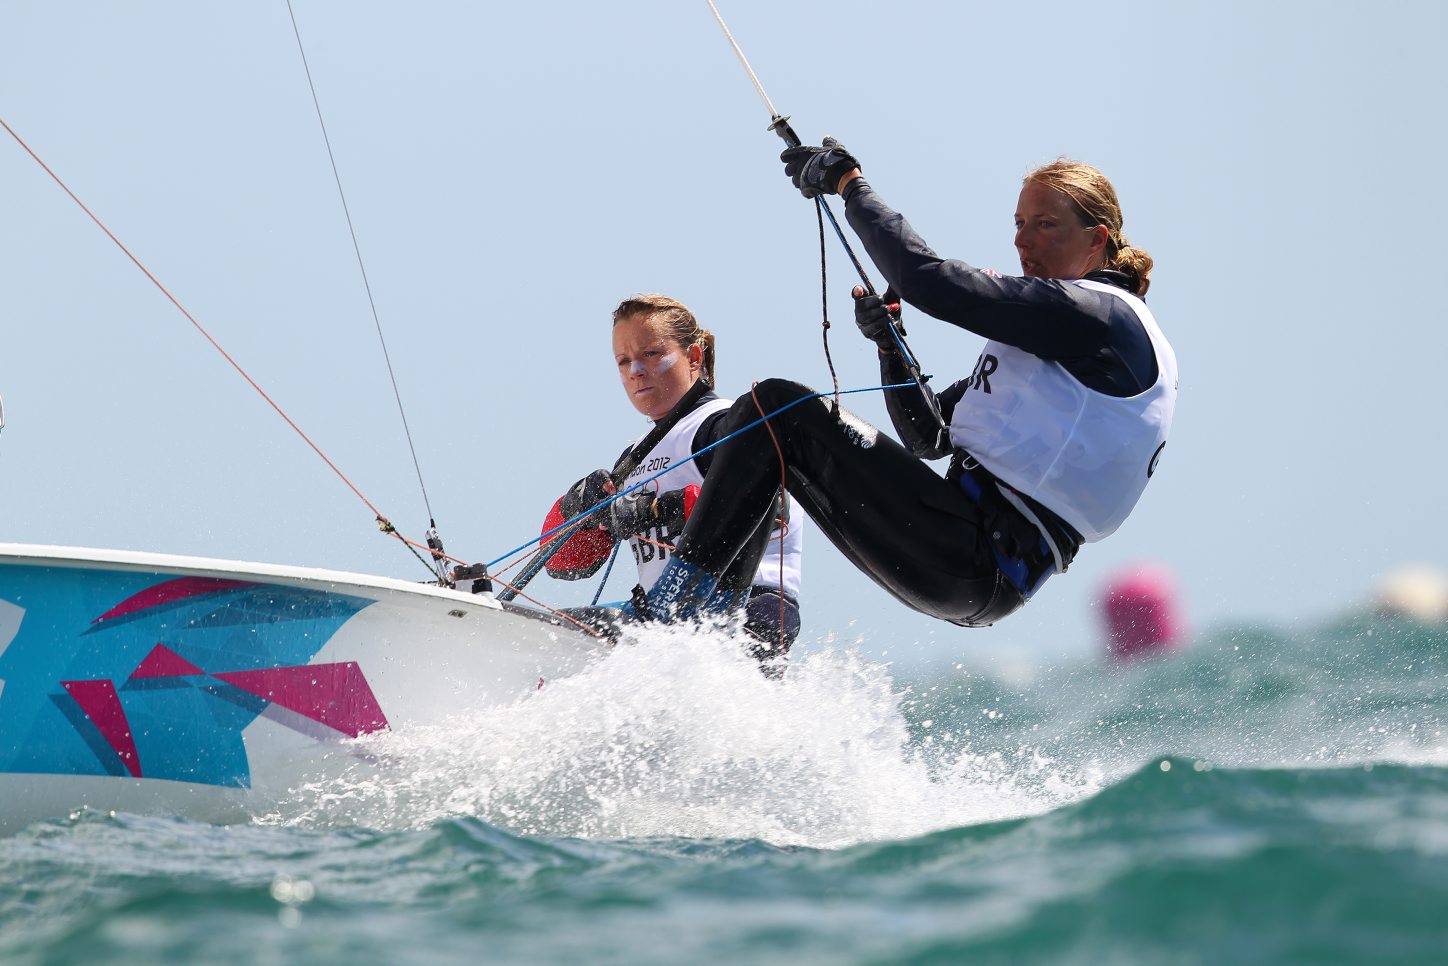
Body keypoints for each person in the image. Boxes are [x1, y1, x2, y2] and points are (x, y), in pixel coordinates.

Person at [634, 143, 1177, 629]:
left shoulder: (1101, 320)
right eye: (1018, 222)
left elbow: (928, 280)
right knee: (773, 431)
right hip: (962, 557)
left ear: (1096, 239)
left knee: (776, 407)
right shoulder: (1066, 340)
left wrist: (849, 184)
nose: (1022, 240)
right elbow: (930, 437)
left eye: (1045, 224)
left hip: (975, 555)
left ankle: (675, 620)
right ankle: (719, 634)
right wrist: (890, 349)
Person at [542, 294, 803, 664]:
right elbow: (562, 564)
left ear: (694, 358)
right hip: (661, 619)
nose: (635, 370)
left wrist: (653, 509)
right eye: (623, 361)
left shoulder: (723, 425)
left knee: (553, 643)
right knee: (548, 638)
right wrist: (578, 509)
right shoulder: (634, 455)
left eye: (650, 353)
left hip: (749, 611)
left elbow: (772, 507)